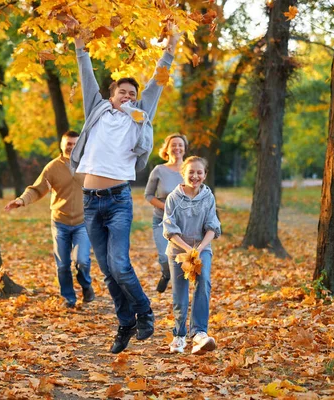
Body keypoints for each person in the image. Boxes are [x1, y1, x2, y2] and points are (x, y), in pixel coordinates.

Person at [70, 30, 181, 353]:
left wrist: (171, 50)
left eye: (132, 93)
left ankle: (145, 312)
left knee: (119, 264)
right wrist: (80, 44)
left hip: (118, 201)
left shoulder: (140, 116)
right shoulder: (98, 109)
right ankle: (125, 323)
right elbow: (86, 73)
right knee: (107, 272)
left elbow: (157, 82)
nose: (128, 96)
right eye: (123, 92)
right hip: (90, 203)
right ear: (112, 94)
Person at [5, 131, 95, 308]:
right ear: (61, 145)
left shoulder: (89, 165)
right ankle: (68, 298)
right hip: (60, 222)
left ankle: (86, 286)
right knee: (62, 265)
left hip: (82, 223)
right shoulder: (52, 167)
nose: (72, 147)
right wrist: (21, 200)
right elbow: (37, 189)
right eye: (68, 143)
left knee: (82, 261)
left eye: (75, 144)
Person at [162, 156, 221, 355]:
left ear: (204, 175)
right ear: (183, 173)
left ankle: (199, 334)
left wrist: (200, 248)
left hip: (201, 249)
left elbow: (212, 226)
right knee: (180, 293)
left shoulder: (208, 197)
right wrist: (187, 249)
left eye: (199, 172)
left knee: (203, 283)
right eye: (191, 172)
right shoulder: (173, 198)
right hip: (179, 251)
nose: (195, 176)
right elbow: (169, 229)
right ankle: (179, 335)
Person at [144, 134, 188, 293]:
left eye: (180, 145)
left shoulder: (189, 169)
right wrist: (167, 207)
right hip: (161, 220)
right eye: (174, 145)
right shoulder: (159, 170)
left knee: (184, 259)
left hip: (185, 222)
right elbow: (148, 195)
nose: (177, 148)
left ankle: (180, 294)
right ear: (167, 149)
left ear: (184, 149)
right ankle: (166, 274)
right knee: (164, 257)